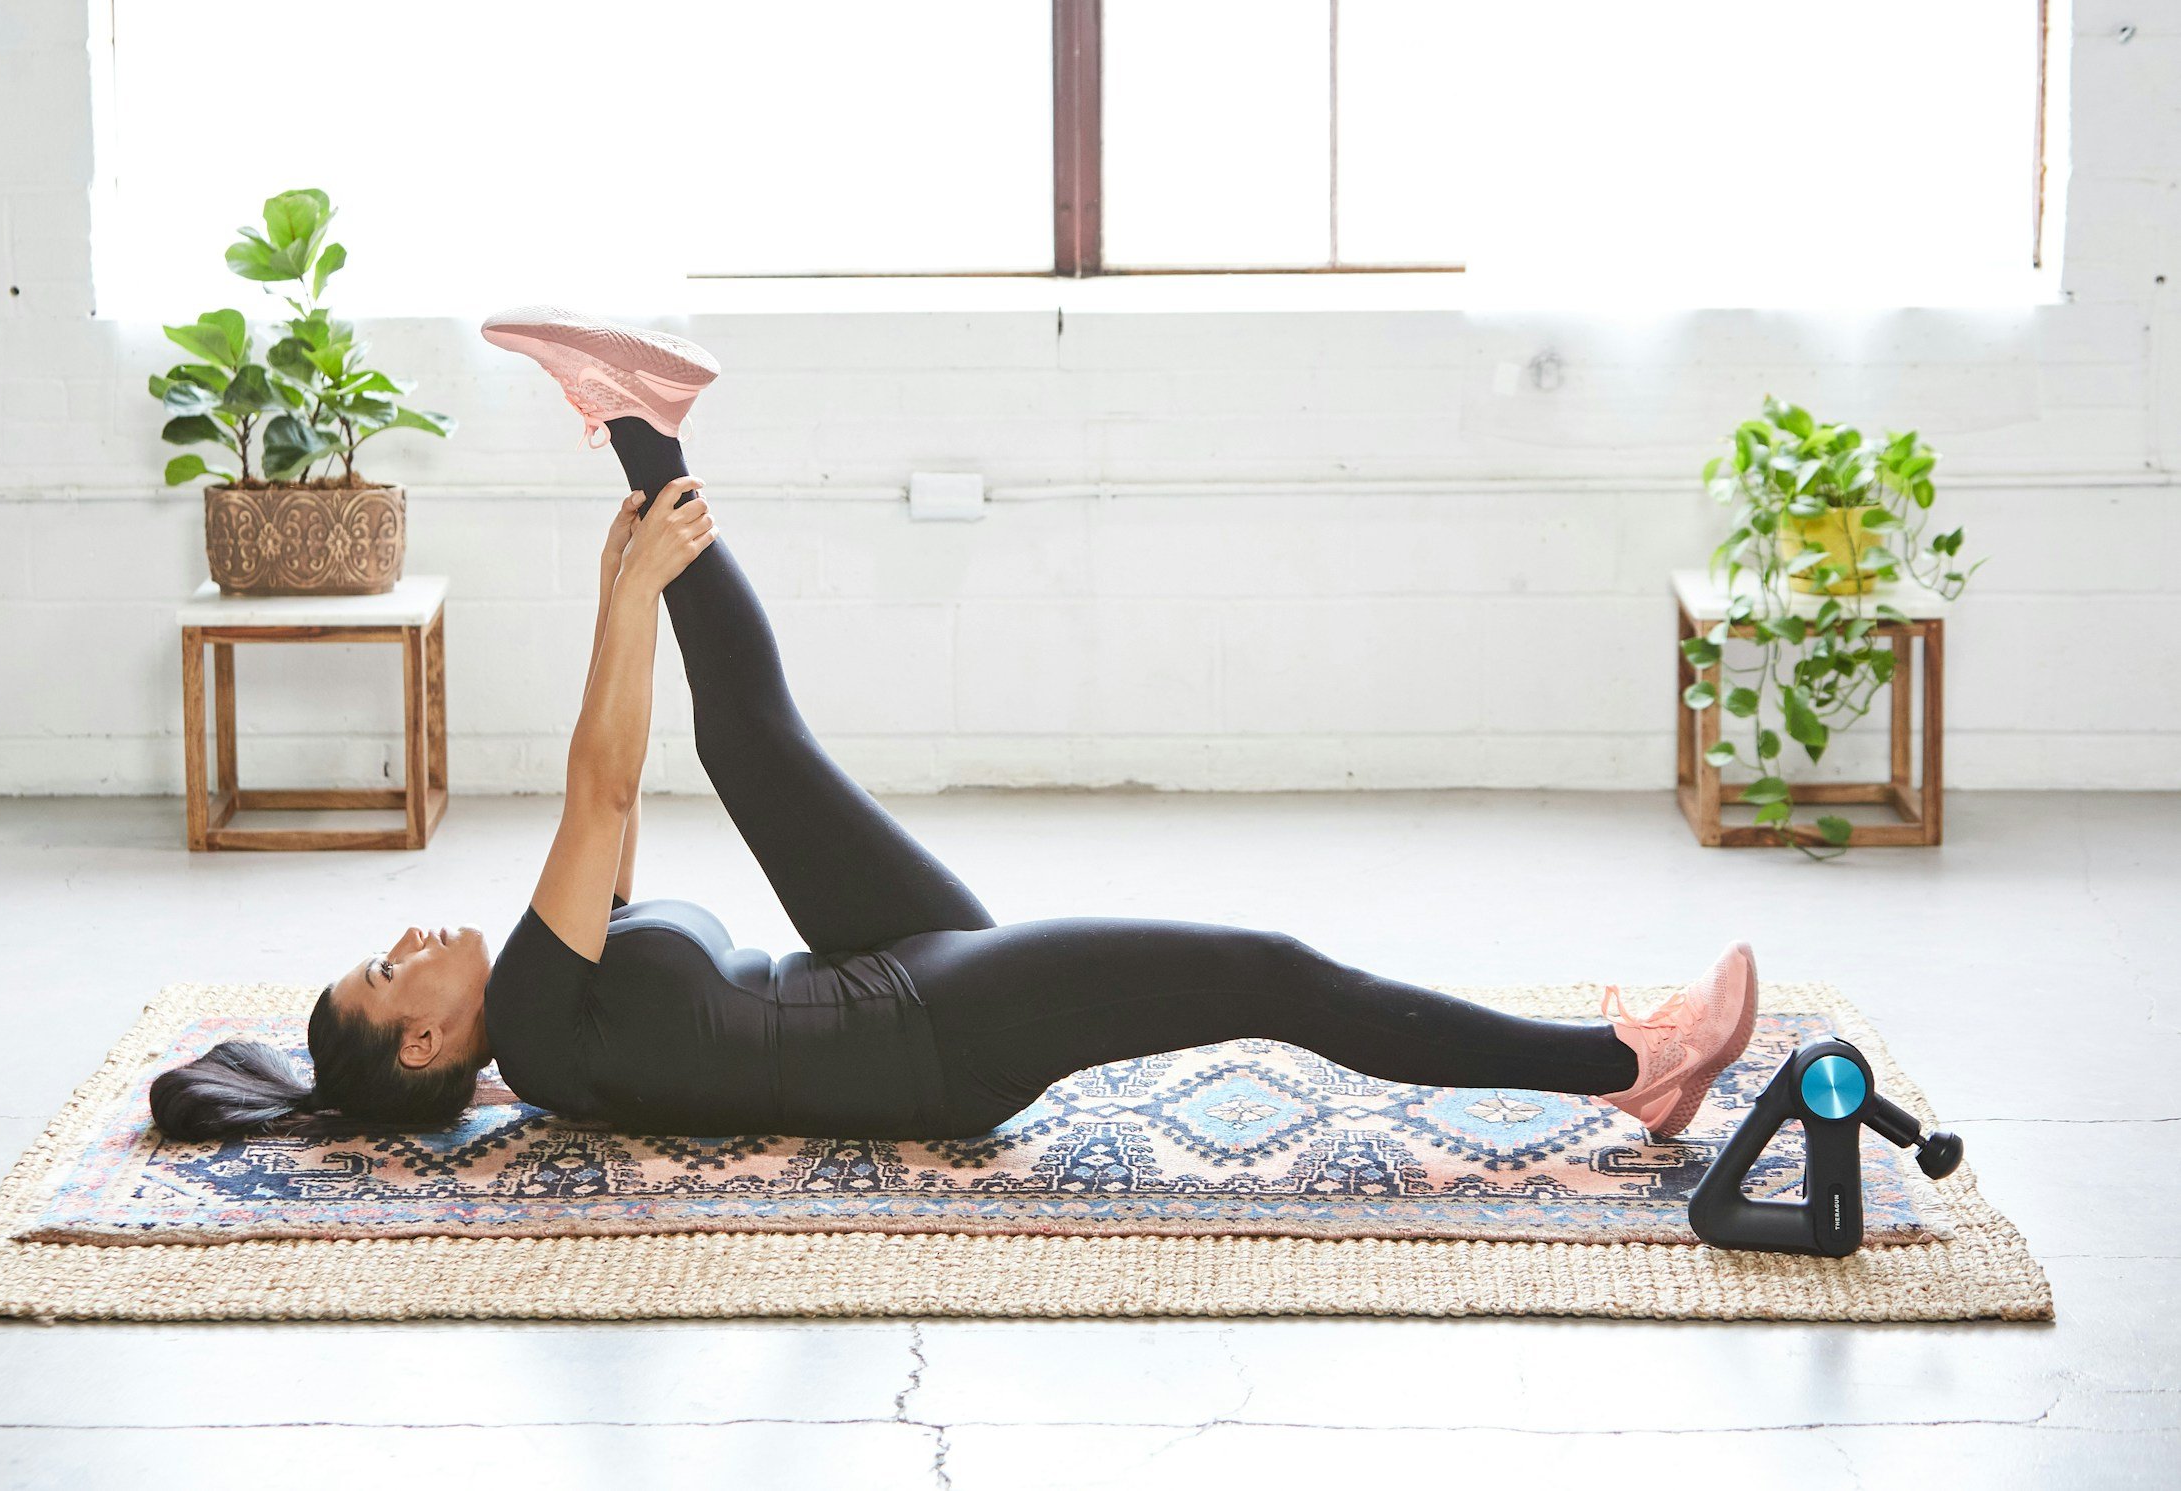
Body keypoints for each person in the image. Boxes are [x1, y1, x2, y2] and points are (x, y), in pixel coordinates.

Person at [150, 309, 1758, 1146]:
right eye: (390, 971)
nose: (412, 938)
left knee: (753, 748)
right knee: (1266, 971)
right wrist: (625, 606)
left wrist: (616, 596)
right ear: (429, 1042)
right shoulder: (543, 1022)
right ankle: (1622, 1066)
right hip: (934, 1046)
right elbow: (593, 777)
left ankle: (638, 422)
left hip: (883, 971)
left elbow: (622, 799)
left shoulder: (550, 1012)